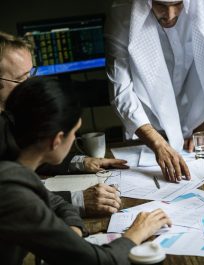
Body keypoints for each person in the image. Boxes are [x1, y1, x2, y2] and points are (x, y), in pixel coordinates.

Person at [0, 77, 171, 265]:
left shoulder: (15, 169)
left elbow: (54, 202)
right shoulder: (13, 193)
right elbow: (99, 261)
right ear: (57, 140)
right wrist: (136, 233)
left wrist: (71, 231)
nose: (74, 139)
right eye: (75, 132)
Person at [0, 30, 126, 216]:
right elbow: (8, 199)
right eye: (21, 79)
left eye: (31, 74)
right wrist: (77, 200)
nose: (31, 85)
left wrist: (82, 163)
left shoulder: (11, 111)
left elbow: (27, 157)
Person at [105, 0, 204, 182]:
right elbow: (121, 89)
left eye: (178, 4)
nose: (170, 14)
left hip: (196, 120)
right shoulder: (121, 13)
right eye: (160, 5)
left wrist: (200, 126)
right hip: (147, 125)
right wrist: (157, 143)